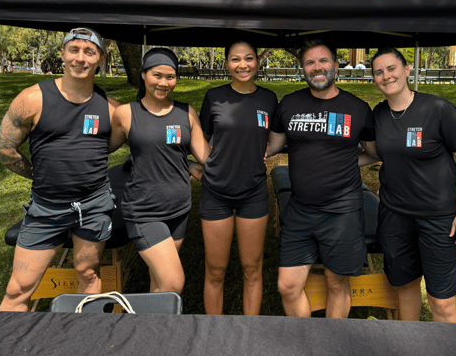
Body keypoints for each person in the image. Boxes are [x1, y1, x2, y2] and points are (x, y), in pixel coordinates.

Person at [0, 27, 120, 311]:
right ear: (62, 53)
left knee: (88, 275)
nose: (80, 58)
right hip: (46, 209)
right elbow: (3, 151)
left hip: (94, 206)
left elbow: (107, 146)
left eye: (89, 52)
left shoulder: (112, 109)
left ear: (100, 59)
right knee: (18, 288)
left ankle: (84, 342)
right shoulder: (32, 99)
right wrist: (35, 172)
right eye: (74, 50)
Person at [360, 47, 456, 323]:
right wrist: (334, 161)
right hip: (394, 216)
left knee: (442, 301)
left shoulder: (438, 109)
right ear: (374, 79)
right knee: (404, 286)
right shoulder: (378, 114)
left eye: (391, 69)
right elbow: (376, 153)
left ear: (406, 69)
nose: (386, 76)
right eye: (379, 72)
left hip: (440, 218)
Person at [266, 39, 375, 319]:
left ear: (336, 65)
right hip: (300, 210)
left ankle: (330, 345)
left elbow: (373, 153)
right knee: (288, 286)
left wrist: (349, 160)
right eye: (310, 63)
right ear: (302, 69)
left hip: (342, 213)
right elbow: (273, 146)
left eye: (323, 61)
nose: (317, 68)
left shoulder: (358, 108)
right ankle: (308, 342)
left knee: (336, 283)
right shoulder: (289, 104)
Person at [109, 47, 210, 294]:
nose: (164, 83)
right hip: (144, 210)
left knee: (161, 282)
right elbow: (99, 149)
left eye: (170, 76)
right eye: (157, 75)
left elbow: (207, 157)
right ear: (143, 75)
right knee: (173, 283)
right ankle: (157, 330)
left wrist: (247, 152)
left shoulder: (186, 113)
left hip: (179, 209)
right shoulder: (125, 114)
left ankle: (151, 330)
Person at [198, 41, 278, 315]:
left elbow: (273, 137)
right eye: (235, 59)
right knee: (216, 270)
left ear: (258, 61)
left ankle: (249, 333)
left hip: (253, 192)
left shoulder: (269, 99)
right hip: (215, 192)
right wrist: (206, 166)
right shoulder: (214, 97)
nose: (242, 65)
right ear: (226, 64)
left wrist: (268, 150)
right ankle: (212, 332)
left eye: (248, 58)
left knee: (252, 268)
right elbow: (203, 140)